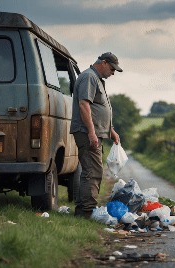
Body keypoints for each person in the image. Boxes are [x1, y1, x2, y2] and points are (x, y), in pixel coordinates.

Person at [70, 52, 123, 218]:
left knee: (92, 171)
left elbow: (99, 108)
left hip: (93, 132)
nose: (113, 73)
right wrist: (92, 132)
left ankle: (83, 210)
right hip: (86, 132)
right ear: (104, 62)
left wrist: (111, 130)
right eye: (112, 69)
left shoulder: (97, 79)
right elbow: (84, 104)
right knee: (92, 172)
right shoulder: (89, 77)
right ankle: (87, 212)